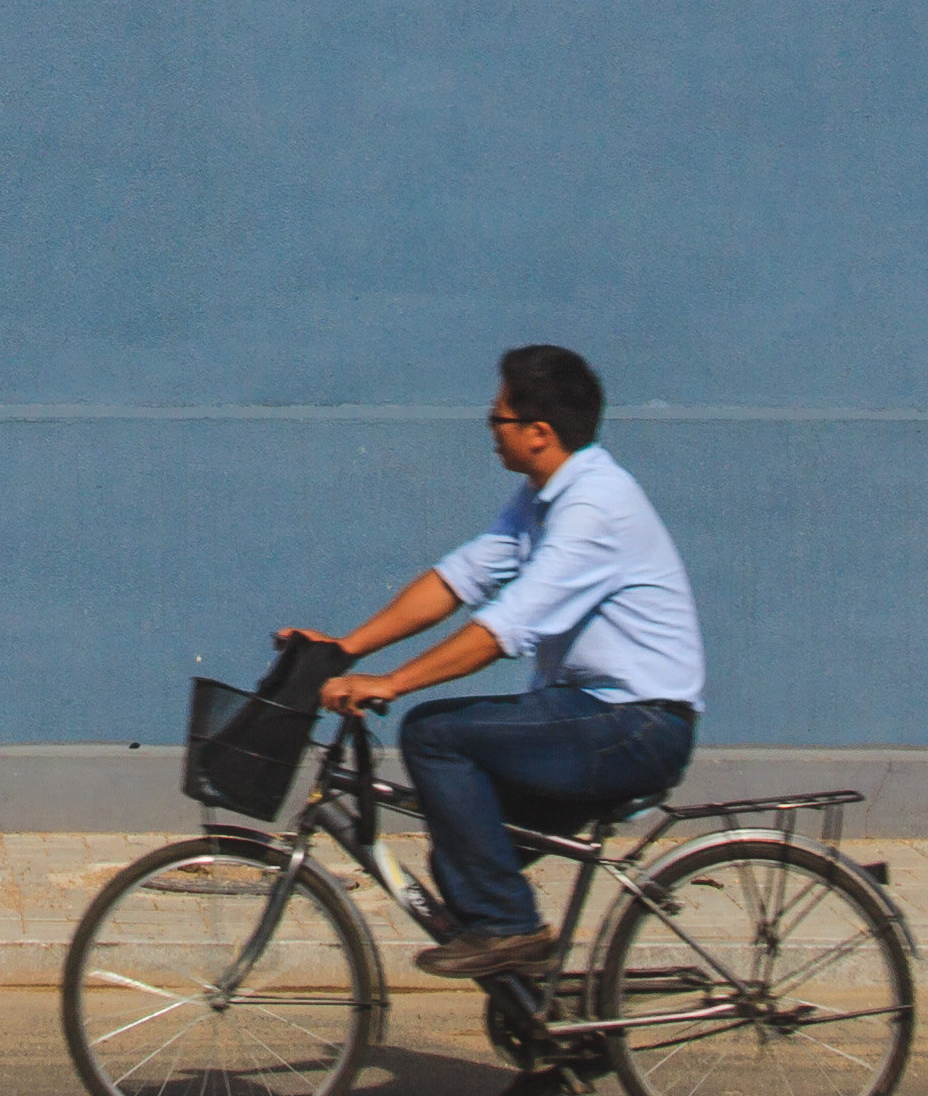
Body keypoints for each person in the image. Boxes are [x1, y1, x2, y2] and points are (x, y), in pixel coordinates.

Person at [287, 342, 701, 984]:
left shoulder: (594, 508)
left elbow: (502, 629)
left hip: (635, 724)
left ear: (539, 433)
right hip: (593, 715)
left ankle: (511, 928)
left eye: (496, 418)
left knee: (434, 734)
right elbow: (459, 581)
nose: (489, 429)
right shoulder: (543, 499)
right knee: (465, 861)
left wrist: (393, 683)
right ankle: (539, 1025)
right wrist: (344, 650)